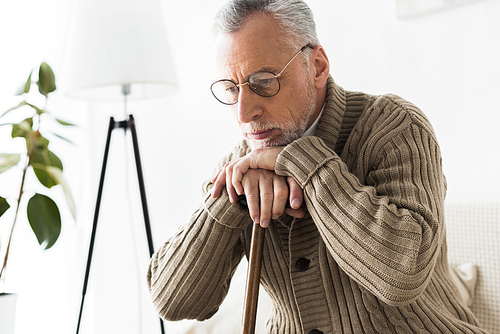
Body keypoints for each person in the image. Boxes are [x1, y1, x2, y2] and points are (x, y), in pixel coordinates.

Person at [147, 0, 488, 333]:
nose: (243, 113)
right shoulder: (241, 166)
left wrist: (306, 163)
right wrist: (230, 199)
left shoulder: (395, 127)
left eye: (263, 82)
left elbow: (402, 273)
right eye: (230, 89)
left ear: (318, 67)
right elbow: (173, 303)